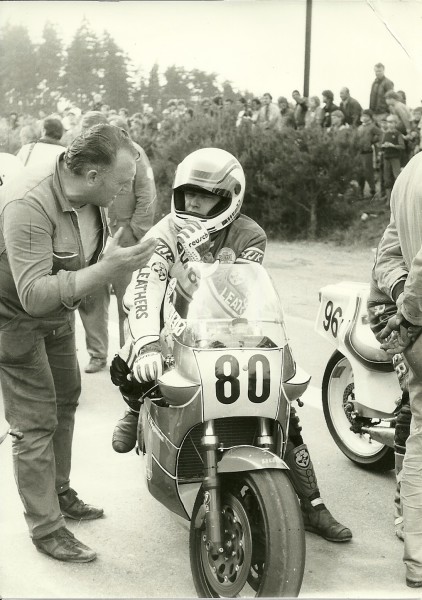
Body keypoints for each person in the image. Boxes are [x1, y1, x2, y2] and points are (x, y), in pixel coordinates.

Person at [110, 147, 352, 543]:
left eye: (205, 196)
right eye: (188, 195)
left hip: (231, 327)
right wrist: (148, 343)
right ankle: (135, 406)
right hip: (174, 324)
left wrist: (202, 258)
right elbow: (145, 287)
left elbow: (245, 287)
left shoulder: (250, 234)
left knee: (284, 411)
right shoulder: (163, 232)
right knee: (128, 361)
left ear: (230, 197)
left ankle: (312, 505)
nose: (194, 203)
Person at [0, 124, 157, 563]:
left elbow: (81, 262)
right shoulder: (28, 202)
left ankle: (58, 491)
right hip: (14, 318)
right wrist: (106, 271)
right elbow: (32, 295)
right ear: (91, 174)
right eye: (122, 181)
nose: (127, 189)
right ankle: (47, 529)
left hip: (58, 314)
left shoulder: (91, 198)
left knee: (66, 399)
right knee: (34, 423)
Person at [373, 151, 422, 587]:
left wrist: (400, 300)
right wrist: (408, 311)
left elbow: (387, 252)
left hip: (415, 327)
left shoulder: (409, 173)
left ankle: (417, 554)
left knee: (419, 429)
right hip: (415, 318)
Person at [367, 218, 411, 542]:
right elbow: (386, 262)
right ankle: (404, 505)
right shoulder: (408, 208)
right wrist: (405, 304)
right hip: (391, 311)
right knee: (416, 399)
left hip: (415, 309)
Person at [356, 109, 381, 199]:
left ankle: (372, 190)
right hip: (359, 152)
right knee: (360, 172)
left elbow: (381, 134)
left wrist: (373, 141)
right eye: (362, 116)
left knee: (368, 172)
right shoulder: (359, 127)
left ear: (370, 117)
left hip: (368, 153)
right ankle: (360, 192)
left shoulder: (372, 126)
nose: (363, 117)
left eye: (366, 116)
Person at [381, 114, 405, 205]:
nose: (389, 124)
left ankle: (400, 199)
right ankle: (388, 200)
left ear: (396, 123)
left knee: (397, 177)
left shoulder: (398, 134)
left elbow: (402, 146)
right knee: (387, 178)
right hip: (386, 158)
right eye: (388, 122)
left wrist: (393, 146)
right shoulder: (385, 133)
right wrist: (384, 145)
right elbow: (382, 145)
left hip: (395, 158)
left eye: (392, 122)